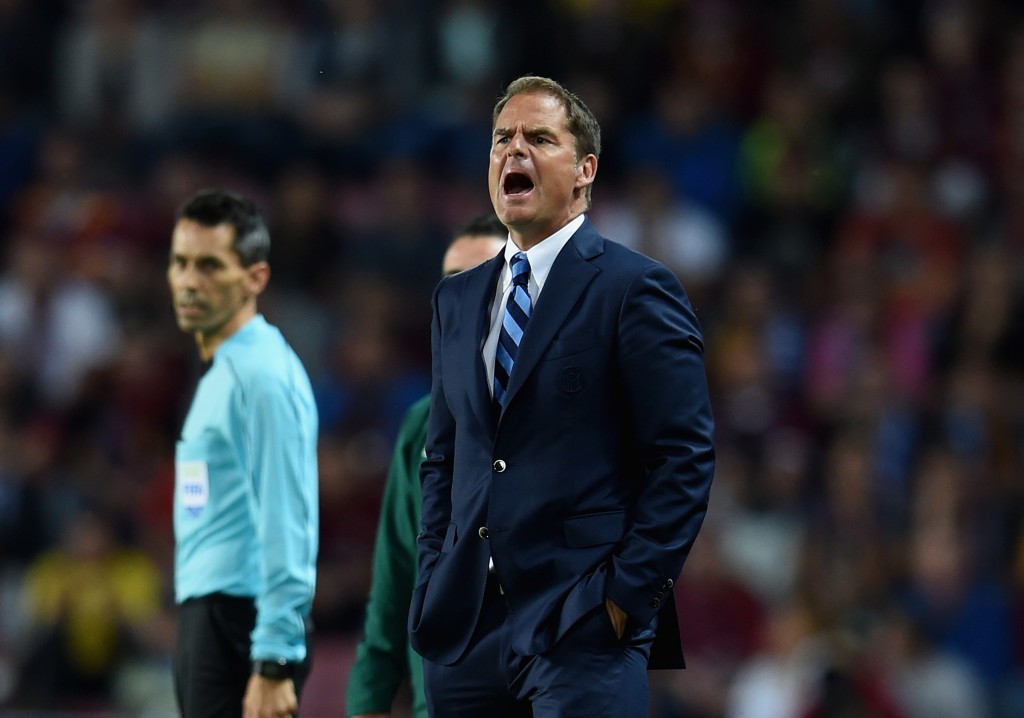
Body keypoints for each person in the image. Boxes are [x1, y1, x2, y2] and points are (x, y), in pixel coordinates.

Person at [408, 74, 716, 717]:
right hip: (467, 635)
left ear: (584, 171)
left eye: (538, 137)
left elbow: (684, 456)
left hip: (583, 626)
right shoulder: (456, 300)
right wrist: (433, 578)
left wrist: (625, 599)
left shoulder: (637, 288)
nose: (512, 151)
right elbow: (444, 458)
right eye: (501, 139)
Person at [346, 213, 508, 718]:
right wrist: (367, 703)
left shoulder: (571, 417)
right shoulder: (420, 424)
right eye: (452, 283)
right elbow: (395, 581)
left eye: (483, 278)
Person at [167, 188, 319, 718]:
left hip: (243, 624)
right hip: (210, 615)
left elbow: (289, 516)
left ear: (255, 277)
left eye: (209, 265)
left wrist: (276, 657)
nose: (188, 281)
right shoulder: (223, 370)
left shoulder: (262, 375)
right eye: (181, 263)